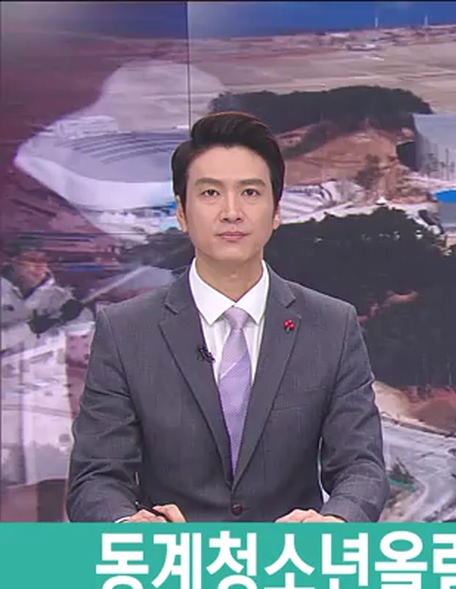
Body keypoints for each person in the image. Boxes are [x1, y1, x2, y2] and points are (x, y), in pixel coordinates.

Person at [67, 111, 389, 523]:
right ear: (182, 212)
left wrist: (336, 522)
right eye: (210, 193)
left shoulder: (331, 325)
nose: (232, 212)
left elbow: (361, 467)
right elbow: (95, 476)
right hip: (172, 557)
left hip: (291, 556)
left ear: (276, 212)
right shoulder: (126, 330)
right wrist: (128, 525)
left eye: (250, 192)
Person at [1, 237, 88, 355]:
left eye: (43, 260)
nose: (39, 265)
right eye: (31, 259)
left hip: (46, 366)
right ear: (14, 262)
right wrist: (29, 328)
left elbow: (80, 330)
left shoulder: (58, 296)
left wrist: (77, 314)